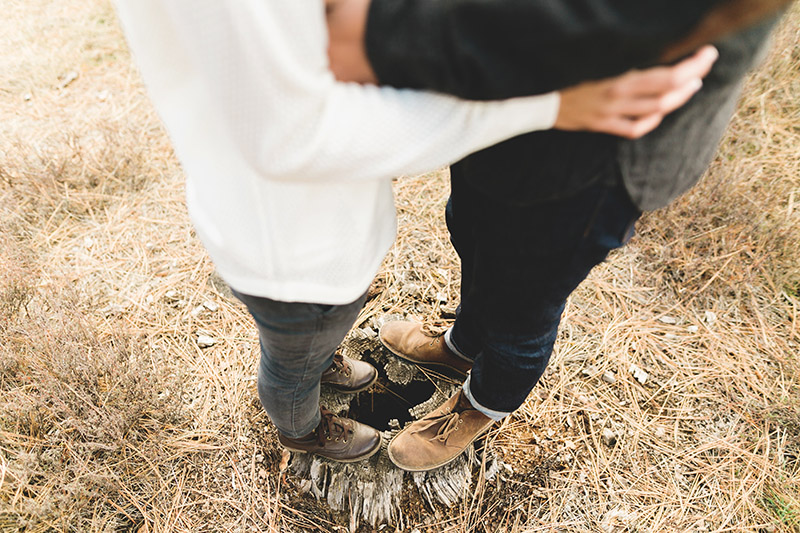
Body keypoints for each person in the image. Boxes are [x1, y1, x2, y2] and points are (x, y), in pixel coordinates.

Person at [112, 0, 719, 463]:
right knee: (301, 348)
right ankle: (302, 426)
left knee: (524, 303)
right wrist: (538, 104)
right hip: (290, 248)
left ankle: (475, 397)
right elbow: (296, 128)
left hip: (588, 162)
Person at [326, 0, 788, 471]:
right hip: (504, 114)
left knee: (523, 309)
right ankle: (463, 346)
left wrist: (370, 31)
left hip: (600, 155)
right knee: (472, 235)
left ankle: (483, 403)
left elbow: (576, 27)